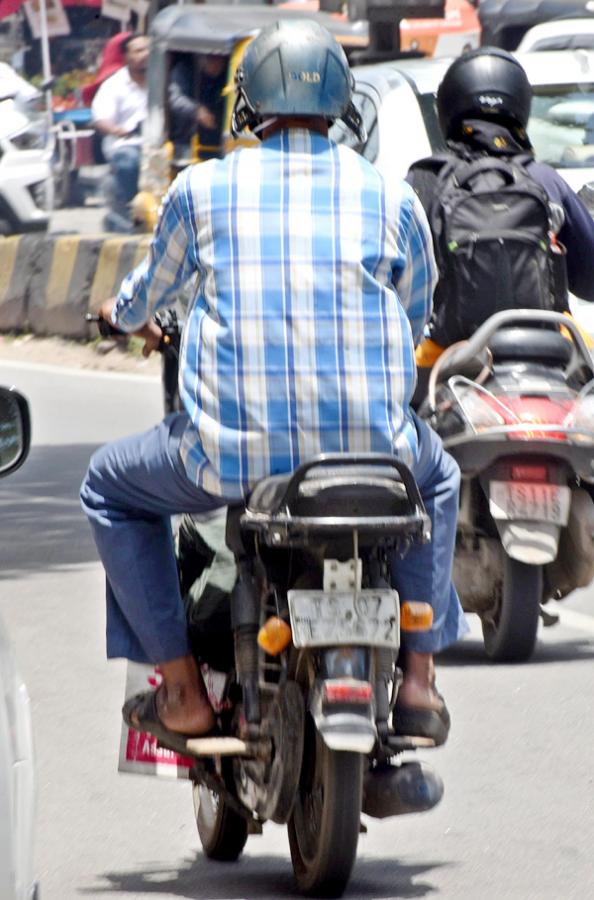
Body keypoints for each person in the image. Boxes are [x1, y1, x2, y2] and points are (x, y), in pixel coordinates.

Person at [80, 19, 467, 749]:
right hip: (377, 460)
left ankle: (185, 691)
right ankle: (418, 684)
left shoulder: (201, 190)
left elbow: (141, 301)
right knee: (439, 479)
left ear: (248, 104)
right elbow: (415, 314)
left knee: (107, 485)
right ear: (341, 102)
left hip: (227, 461)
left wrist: (114, 313)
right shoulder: (391, 197)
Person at [409, 47, 594, 386]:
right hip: (550, 357)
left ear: (448, 107)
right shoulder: (544, 178)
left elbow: (398, 285)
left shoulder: (426, 180)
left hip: (446, 360)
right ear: (520, 106)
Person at [91, 34, 149, 232]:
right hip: (125, 145)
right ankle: (131, 212)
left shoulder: (160, 80)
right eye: (138, 51)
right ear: (126, 57)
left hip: (154, 144)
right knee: (129, 161)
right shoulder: (113, 85)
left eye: (148, 49)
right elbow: (101, 120)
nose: (145, 54)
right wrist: (118, 130)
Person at [168, 53, 227, 160]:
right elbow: (174, 98)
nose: (216, 63)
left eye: (220, 59)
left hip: (220, 142)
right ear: (200, 58)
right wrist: (197, 111)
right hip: (185, 141)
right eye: (211, 59)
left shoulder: (229, 73)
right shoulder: (184, 70)